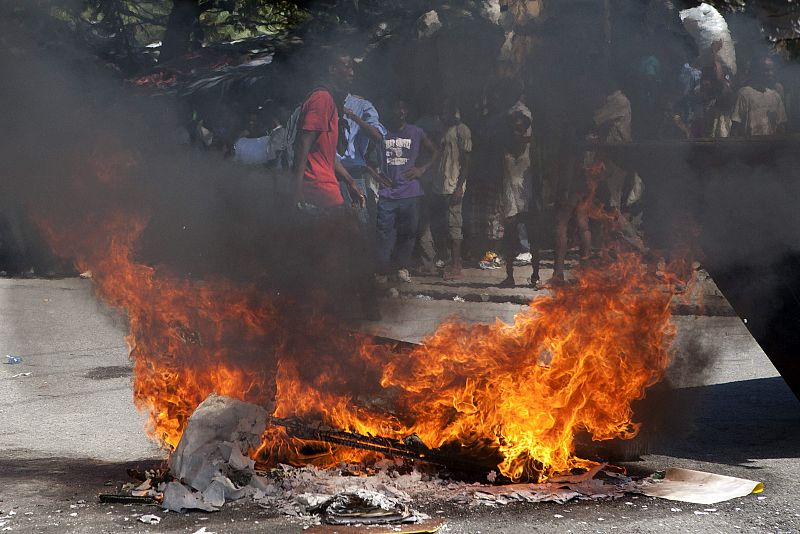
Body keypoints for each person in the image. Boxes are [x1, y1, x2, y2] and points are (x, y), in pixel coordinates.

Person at [375, 98, 439, 282]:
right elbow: (365, 157)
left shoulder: (416, 132)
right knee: (384, 234)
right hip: (387, 194)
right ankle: (382, 271)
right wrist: (377, 176)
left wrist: (422, 169)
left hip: (410, 192)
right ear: (391, 111)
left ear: (407, 111)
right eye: (397, 109)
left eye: (403, 109)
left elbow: (436, 151)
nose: (400, 112)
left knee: (409, 233)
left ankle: (401, 268)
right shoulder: (381, 132)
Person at [291, 50, 364, 209]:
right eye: (347, 67)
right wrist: (296, 191)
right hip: (317, 189)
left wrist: (350, 182)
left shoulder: (329, 99)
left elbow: (326, 154)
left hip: (324, 187)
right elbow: (303, 145)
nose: (352, 73)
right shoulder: (321, 98)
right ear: (332, 69)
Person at [419, 99, 472, 280]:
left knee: (454, 227)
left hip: (453, 185)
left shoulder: (462, 130)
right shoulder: (442, 130)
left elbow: (466, 162)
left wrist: (459, 187)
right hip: (439, 185)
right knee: (443, 226)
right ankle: (447, 262)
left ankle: (456, 266)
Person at [498, 111, 543, 288]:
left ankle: (535, 275)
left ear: (525, 128)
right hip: (510, 198)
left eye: (520, 127)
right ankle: (509, 276)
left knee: (534, 239)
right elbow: (500, 174)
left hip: (528, 199)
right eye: (514, 127)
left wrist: (538, 200)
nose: (517, 130)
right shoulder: (505, 149)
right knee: (509, 240)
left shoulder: (532, 149)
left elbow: (539, 175)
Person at [339, 93, 388, 226]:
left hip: (353, 175)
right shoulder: (322, 102)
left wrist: (354, 117)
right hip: (328, 175)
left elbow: (377, 137)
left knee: (358, 224)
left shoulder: (362, 105)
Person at [731, 56, 788, 137]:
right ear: (757, 71)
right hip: (750, 143)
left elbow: (781, 126)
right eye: (766, 70)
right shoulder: (745, 93)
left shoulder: (775, 96)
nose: (771, 73)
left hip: (771, 143)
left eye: (772, 70)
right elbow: (736, 124)